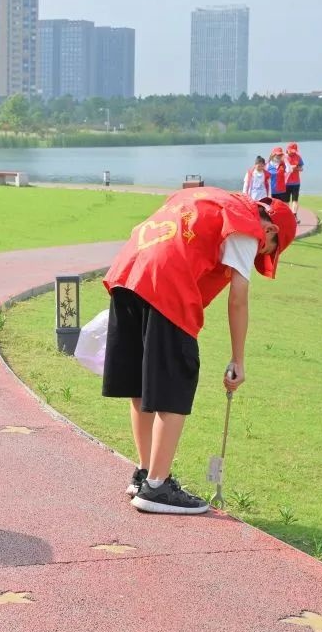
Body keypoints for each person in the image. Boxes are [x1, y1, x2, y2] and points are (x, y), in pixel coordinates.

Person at [101, 187, 297, 515]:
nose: (259, 253)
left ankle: (145, 474)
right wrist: (238, 359)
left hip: (127, 274)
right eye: (268, 248)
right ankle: (157, 487)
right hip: (167, 284)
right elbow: (238, 299)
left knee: (142, 384)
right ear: (270, 230)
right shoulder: (246, 226)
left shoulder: (211, 200)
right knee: (176, 381)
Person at [284, 143, 305, 223]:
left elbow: (301, 168)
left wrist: (296, 168)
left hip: (296, 182)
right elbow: (282, 168)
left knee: (295, 200)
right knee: (286, 201)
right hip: (286, 182)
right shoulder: (284, 157)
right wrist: (292, 167)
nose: (293, 152)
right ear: (288, 149)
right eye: (291, 151)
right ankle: (287, 216)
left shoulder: (298, 157)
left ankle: (294, 215)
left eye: (294, 151)